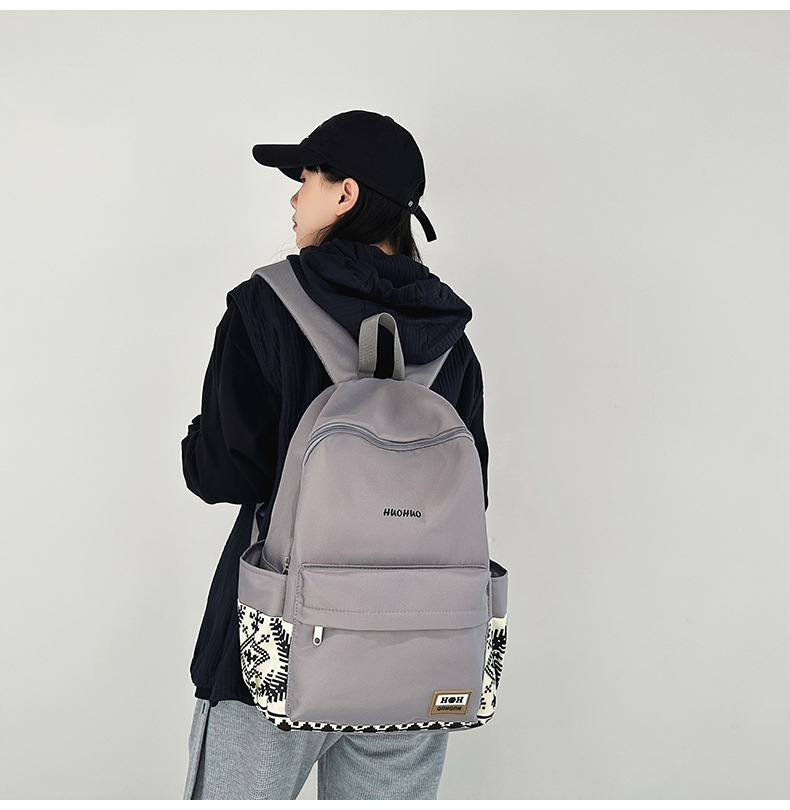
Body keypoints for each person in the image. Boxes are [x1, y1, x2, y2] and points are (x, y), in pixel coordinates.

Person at [180, 110, 490, 800]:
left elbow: (223, 471)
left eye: (307, 180)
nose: (295, 198)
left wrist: (197, 441)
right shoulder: (451, 337)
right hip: (419, 654)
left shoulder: (265, 305)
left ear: (345, 194)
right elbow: (472, 499)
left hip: (273, 650)